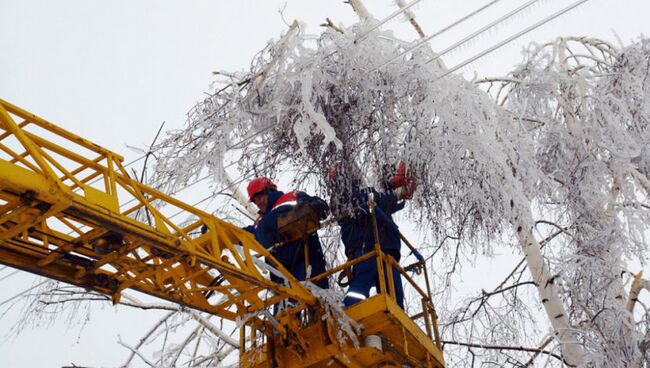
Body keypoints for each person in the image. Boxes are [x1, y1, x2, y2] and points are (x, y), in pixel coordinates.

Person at [329, 162, 416, 309]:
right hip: (365, 248)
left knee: (394, 292)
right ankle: (350, 309)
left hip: (385, 250)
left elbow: (387, 203)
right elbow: (374, 200)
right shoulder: (345, 196)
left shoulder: (360, 194)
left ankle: (398, 317)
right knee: (362, 285)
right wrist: (396, 193)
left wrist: (395, 191)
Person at [245, 177, 330, 290]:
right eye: (255, 200)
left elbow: (321, 207)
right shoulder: (259, 223)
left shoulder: (292, 197)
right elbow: (246, 235)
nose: (258, 203)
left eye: (260, 197)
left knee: (315, 300)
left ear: (270, 191)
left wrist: (314, 207)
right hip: (280, 279)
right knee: (285, 306)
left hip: (306, 265)